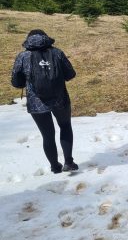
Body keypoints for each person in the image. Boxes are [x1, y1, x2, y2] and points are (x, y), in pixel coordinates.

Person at [11, 29, 78, 174]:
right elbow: (70, 74)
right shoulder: (57, 53)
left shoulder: (23, 56)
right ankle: (69, 162)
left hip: (36, 103)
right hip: (60, 99)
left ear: (28, 40)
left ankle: (55, 166)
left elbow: (16, 83)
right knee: (65, 126)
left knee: (47, 135)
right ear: (46, 38)